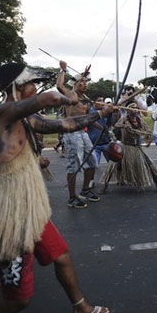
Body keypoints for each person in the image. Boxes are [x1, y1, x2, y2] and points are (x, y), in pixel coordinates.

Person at [0, 63, 112, 313]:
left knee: (61, 255)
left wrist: (99, 114)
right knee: (18, 299)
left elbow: (61, 124)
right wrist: (70, 94)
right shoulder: (3, 112)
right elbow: (52, 97)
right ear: (17, 87)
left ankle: (81, 308)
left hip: (30, 208)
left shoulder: (22, 116)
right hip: (11, 214)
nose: (35, 88)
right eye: (31, 83)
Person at [57, 60, 100, 207]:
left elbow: (88, 119)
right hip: (71, 134)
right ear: (75, 84)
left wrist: (103, 128)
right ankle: (72, 198)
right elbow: (59, 86)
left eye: (86, 82)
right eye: (81, 82)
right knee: (73, 166)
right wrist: (63, 70)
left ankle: (85, 190)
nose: (85, 84)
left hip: (83, 133)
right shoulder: (70, 95)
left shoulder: (86, 101)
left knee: (93, 161)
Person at [100, 102, 157, 193]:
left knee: (150, 165)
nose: (135, 109)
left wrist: (149, 138)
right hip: (124, 147)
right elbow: (116, 125)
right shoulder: (124, 119)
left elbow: (148, 131)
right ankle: (104, 188)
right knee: (114, 166)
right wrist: (124, 126)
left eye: (136, 108)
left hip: (136, 148)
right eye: (132, 108)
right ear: (128, 110)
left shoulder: (139, 120)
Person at [88, 97, 112, 164]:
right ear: (94, 102)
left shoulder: (105, 112)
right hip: (94, 144)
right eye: (99, 101)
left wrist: (112, 112)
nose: (101, 103)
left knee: (112, 163)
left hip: (106, 142)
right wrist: (103, 129)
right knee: (94, 165)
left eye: (102, 101)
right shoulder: (90, 111)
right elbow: (92, 121)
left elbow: (112, 123)